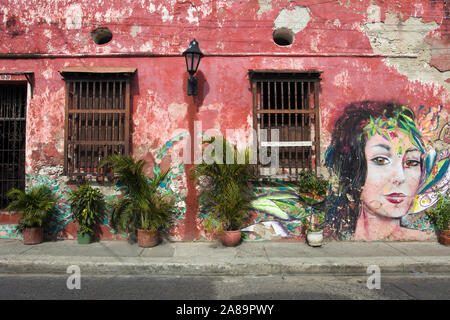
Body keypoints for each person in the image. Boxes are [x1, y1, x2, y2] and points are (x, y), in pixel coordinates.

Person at [325, 101, 434, 240]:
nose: (400, 177)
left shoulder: (423, 239)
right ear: (351, 168)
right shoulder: (332, 235)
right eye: (381, 160)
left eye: (411, 162)